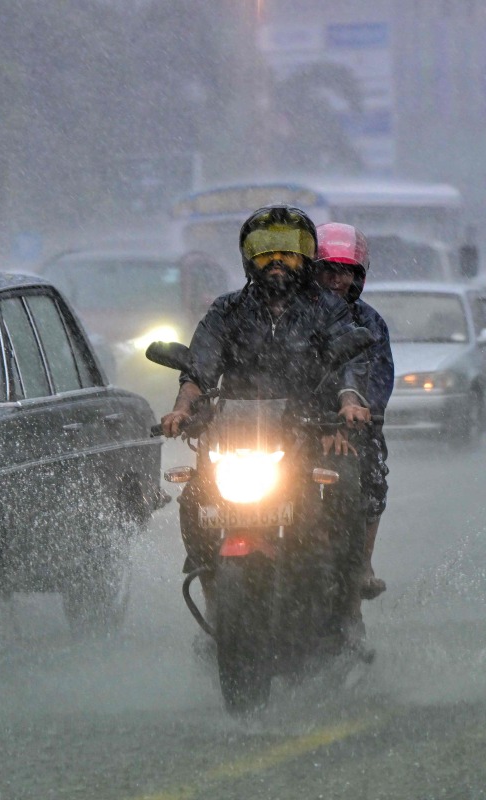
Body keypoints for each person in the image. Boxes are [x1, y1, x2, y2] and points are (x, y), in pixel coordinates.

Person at [160, 205, 372, 646]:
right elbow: (198, 370)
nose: (278, 262)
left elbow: (349, 364)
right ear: (247, 258)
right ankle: (213, 590)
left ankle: (345, 606)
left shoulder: (328, 310)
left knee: (348, 486)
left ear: (306, 258)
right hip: (235, 438)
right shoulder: (227, 311)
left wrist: (349, 403)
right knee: (193, 498)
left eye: (290, 253)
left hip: (308, 432)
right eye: (266, 253)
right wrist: (182, 411)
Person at [315, 223, 393, 599]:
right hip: (290, 423)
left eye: (344, 271)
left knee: (372, 471)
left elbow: (378, 380)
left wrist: (356, 416)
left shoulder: (370, 322)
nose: (335, 279)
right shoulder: (294, 317)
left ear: (357, 276)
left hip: (349, 425)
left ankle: (362, 560)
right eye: (328, 269)